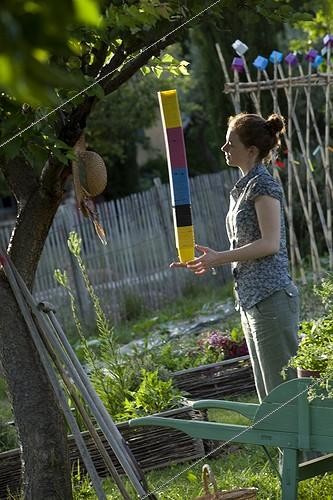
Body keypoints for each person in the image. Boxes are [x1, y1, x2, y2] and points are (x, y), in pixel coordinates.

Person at [171, 112, 299, 403]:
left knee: (285, 397)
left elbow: (269, 244)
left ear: (251, 151)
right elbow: (245, 245)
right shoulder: (242, 189)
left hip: (272, 298)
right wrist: (206, 259)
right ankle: (286, 451)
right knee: (270, 398)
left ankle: (308, 452)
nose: (224, 148)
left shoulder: (263, 186)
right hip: (252, 300)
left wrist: (219, 258)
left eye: (231, 143)